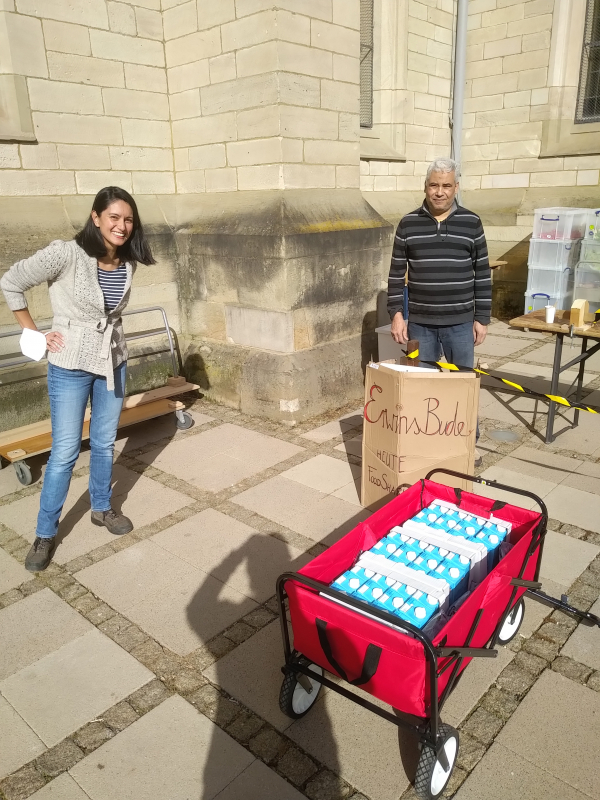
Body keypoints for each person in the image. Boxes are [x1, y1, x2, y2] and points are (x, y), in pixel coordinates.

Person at [0, 186, 156, 572]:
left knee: (103, 442)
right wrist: (34, 334)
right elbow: (11, 282)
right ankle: (45, 533)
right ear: (96, 217)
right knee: (65, 452)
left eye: (128, 219)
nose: (122, 226)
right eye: (114, 217)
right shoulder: (67, 253)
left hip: (113, 361)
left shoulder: (127, 261)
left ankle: (101, 508)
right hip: (69, 364)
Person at [387, 157, 492, 465]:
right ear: (425, 186)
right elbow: (396, 274)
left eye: (446, 185)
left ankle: (466, 445)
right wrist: (396, 313)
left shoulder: (471, 223)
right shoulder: (408, 224)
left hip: (460, 324)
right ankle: (425, 444)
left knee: (463, 386)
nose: (440, 192)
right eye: (434, 185)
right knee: (422, 387)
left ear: (456, 187)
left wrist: (482, 318)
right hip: (420, 325)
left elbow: (482, 273)